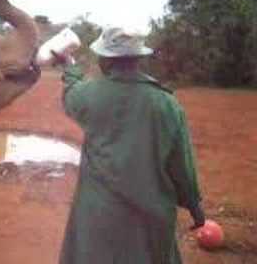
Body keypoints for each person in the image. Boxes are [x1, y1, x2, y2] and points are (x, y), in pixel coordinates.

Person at [52, 27, 205, 264]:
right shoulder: (167, 104)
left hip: (97, 213)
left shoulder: (90, 95)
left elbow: (71, 93)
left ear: (106, 60)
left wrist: (69, 66)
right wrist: (194, 205)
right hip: (150, 216)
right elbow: (181, 164)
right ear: (138, 58)